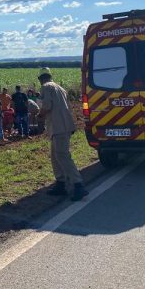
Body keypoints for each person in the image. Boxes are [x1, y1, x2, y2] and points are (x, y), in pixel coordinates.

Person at [37, 68, 88, 201]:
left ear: (40, 79)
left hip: (58, 127)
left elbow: (47, 105)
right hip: (62, 126)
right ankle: (61, 183)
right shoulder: (60, 88)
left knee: (63, 156)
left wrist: (40, 115)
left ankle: (78, 185)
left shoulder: (46, 87)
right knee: (55, 156)